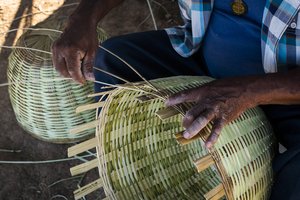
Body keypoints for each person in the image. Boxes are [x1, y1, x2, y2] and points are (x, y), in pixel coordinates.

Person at [52, 0, 300, 199]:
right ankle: (129, 176)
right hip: (200, 57)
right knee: (114, 60)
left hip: (287, 93)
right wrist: (83, 17)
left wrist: (248, 91)